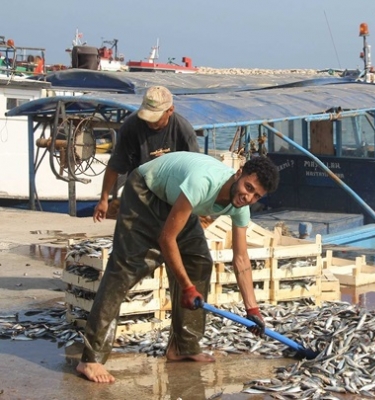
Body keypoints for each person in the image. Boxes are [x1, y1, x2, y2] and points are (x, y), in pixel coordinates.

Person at [76, 152, 280, 383]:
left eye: (256, 196)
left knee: (199, 261)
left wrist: (252, 309)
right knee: (124, 270)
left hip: (177, 200)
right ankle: (90, 359)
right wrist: (187, 286)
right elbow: (166, 239)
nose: (248, 197)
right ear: (239, 173)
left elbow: (241, 259)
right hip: (145, 192)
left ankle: (184, 347)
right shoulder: (203, 182)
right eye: (248, 187)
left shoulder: (240, 207)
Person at [93, 85, 200, 222]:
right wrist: (103, 199)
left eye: (155, 118)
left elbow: (195, 170)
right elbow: (115, 165)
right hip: (140, 189)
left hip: (173, 193)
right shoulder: (131, 126)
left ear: (170, 110)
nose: (150, 123)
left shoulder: (183, 130)